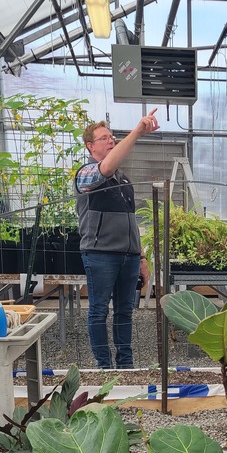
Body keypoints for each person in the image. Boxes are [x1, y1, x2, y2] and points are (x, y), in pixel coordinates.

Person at [75, 110, 160, 369]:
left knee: (125, 311)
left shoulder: (123, 180)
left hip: (128, 256)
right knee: (98, 310)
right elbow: (106, 167)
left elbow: (131, 222)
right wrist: (137, 131)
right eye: (104, 138)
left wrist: (142, 256)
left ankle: (126, 366)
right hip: (100, 253)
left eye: (112, 137)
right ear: (90, 145)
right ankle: (104, 366)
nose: (110, 140)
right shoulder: (86, 174)